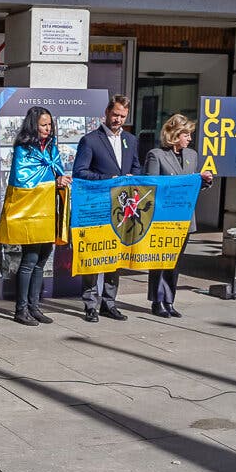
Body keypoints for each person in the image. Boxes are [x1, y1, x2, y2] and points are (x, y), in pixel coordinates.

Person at [0, 105, 68, 326]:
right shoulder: (24, 148)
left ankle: (34, 307)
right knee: (29, 261)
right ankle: (21, 310)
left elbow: (55, 170)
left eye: (50, 124)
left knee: (42, 261)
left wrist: (61, 180)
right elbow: (23, 182)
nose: (48, 128)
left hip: (49, 211)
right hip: (32, 213)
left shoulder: (51, 147)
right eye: (44, 125)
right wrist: (54, 182)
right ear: (33, 125)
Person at [73, 94, 141, 322]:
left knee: (115, 256)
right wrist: (109, 178)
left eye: (122, 116)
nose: (118, 120)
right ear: (106, 112)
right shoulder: (90, 140)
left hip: (123, 209)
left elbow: (136, 168)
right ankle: (90, 305)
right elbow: (80, 172)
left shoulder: (130, 140)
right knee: (95, 255)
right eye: (115, 115)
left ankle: (109, 303)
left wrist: (133, 177)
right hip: (97, 206)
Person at [143, 113, 213, 318]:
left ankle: (169, 300)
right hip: (163, 217)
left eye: (190, 134)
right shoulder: (156, 154)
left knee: (175, 262)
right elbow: (150, 186)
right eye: (186, 134)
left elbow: (194, 186)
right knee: (161, 260)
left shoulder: (192, 155)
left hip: (184, 218)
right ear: (174, 134)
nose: (190, 138)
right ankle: (157, 300)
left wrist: (205, 181)